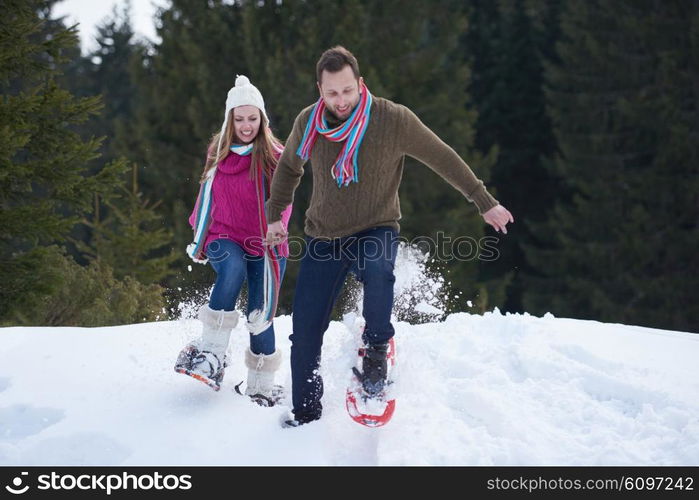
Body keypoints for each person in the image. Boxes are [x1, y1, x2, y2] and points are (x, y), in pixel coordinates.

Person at [264, 46, 514, 426]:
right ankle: (305, 417)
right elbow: (288, 169)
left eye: (347, 90)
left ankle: (377, 349)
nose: (341, 100)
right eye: (332, 93)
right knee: (305, 336)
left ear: (360, 83)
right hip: (324, 237)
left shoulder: (393, 119)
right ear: (320, 90)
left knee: (379, 271)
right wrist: (274, 217)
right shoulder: (309, 122)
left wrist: (483, 201)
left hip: (375, 227)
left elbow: (442, 157)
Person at [175, 75, 292, 405]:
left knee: (260, 315)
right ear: (229, 120)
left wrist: (277, 226)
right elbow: (206, 194)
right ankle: (210, 354)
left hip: (265, 243)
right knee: (232, 270)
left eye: (252, 118)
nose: (245, 126)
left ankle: (260, 384)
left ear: (262, 119)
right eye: (239, 119)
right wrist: (198, 240)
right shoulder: (219, 152)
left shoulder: (275, 155)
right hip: (222, 236)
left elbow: (285, 199)